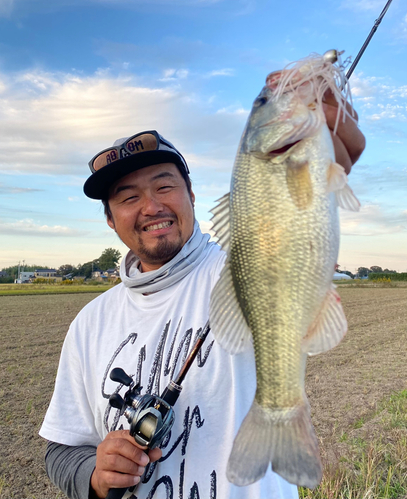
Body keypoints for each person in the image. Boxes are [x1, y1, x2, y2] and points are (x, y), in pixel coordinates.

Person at [39, 93, 365, 499]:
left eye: (164, 185)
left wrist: (316, 163)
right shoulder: (89, 323)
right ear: (110, 218)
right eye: (128, 197)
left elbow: (289, 231)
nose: (152, 206)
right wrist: (95, 474)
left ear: (191, 195)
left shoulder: (240, 269)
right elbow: (61, 450)